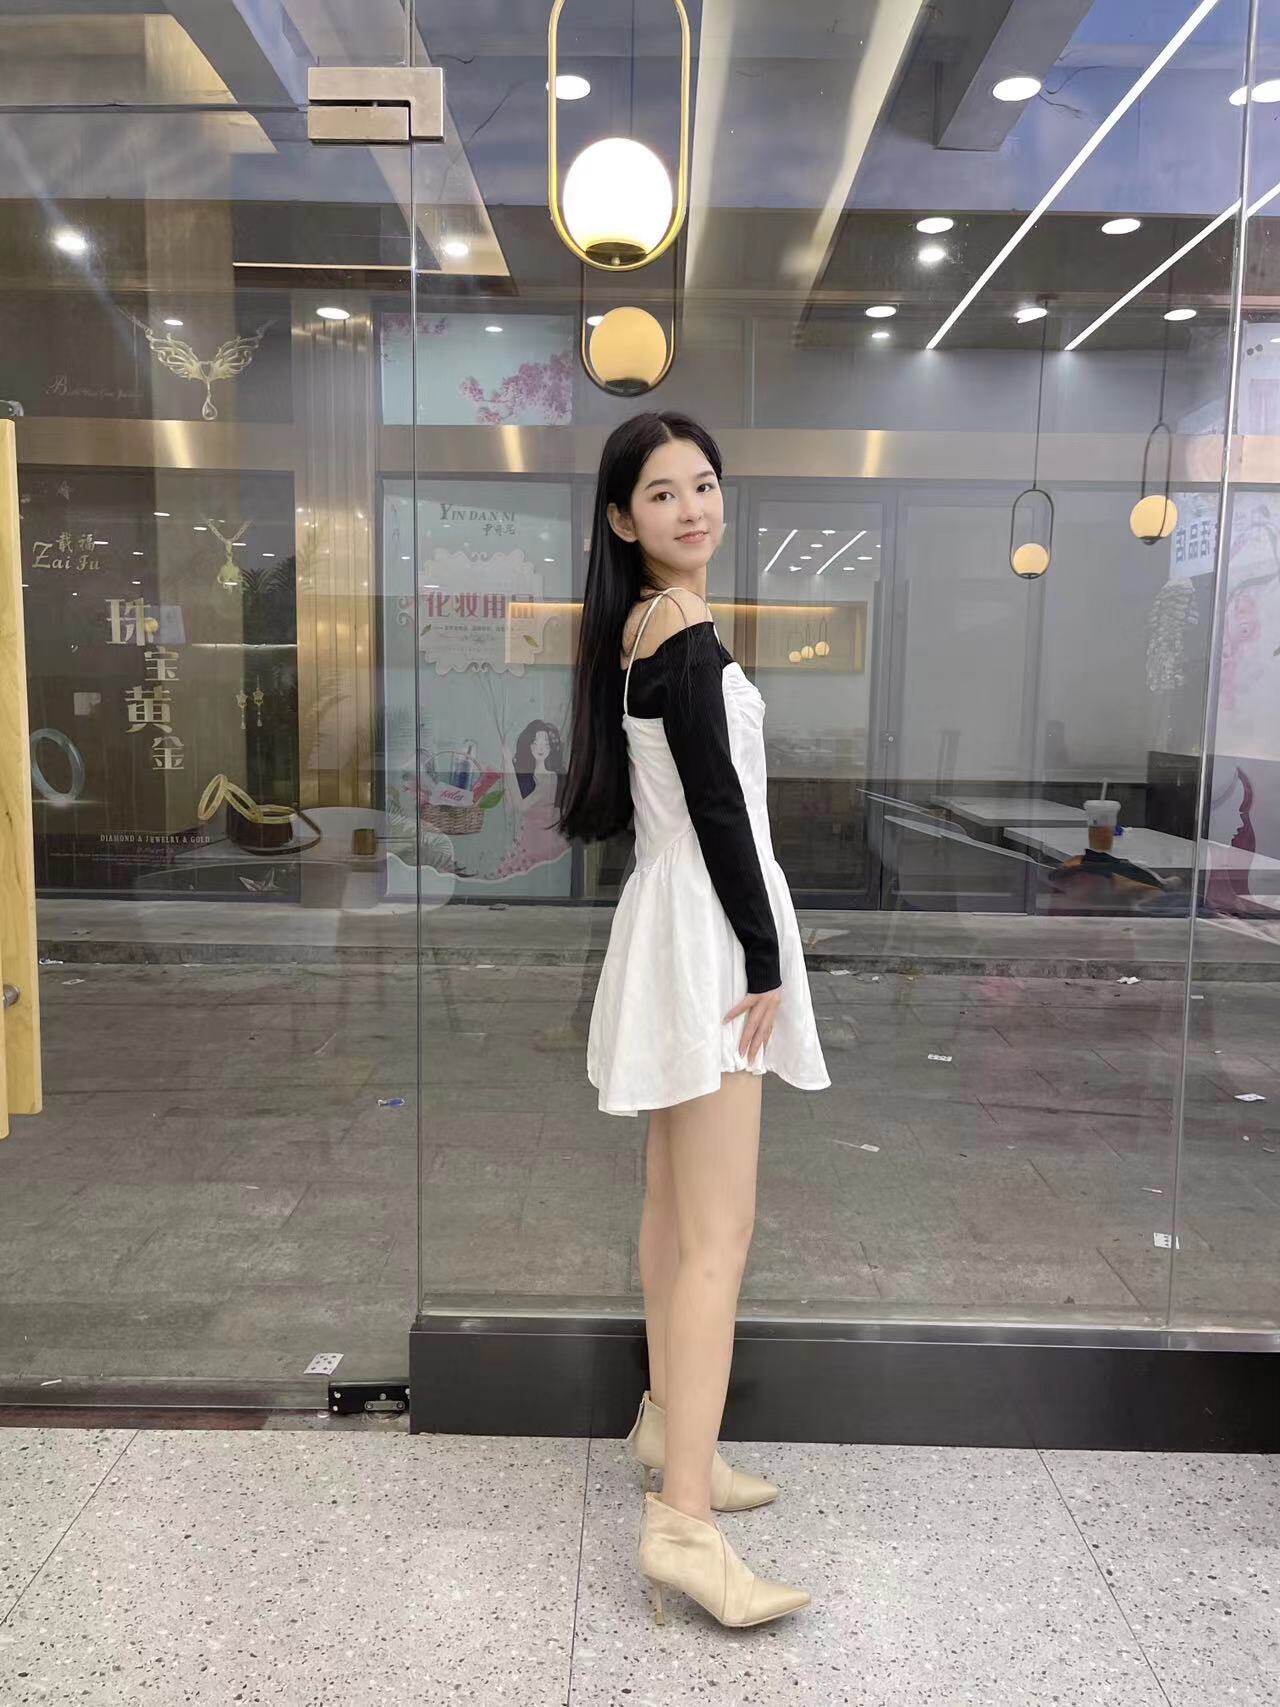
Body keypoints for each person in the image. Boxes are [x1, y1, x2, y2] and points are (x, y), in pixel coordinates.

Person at [557, 410, 830, 1629]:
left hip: (671, 919)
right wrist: (766, 956)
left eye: (704, 484)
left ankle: (674, 1433)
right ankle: (682, 1524)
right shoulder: (682, 631)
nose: (691, 508)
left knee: (673, 1214)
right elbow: (722, 810)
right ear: (622, 518)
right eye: (662, 493)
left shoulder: (637, 625)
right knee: (717, 1233)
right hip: (710, 933)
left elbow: (697, 806)